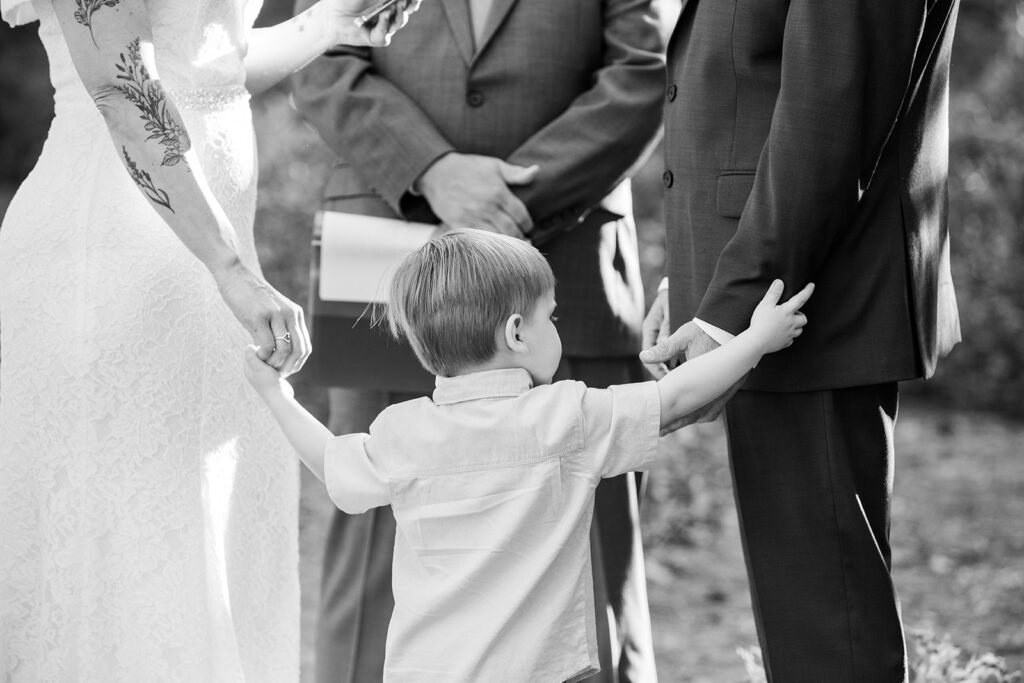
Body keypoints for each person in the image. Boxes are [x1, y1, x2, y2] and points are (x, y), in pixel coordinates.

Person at [0, 0, 419, 680]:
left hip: (213, 253)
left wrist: (333, 22)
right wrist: (227, 266)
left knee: (212, 518)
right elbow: (119, 84)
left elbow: (212, 59)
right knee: (134, 528)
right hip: (109, 247)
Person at [244, 229, 814, 683]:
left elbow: (333, 463)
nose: (556, 327)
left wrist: (277, 394)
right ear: (517, 333)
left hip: (424, 669)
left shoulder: (402, 432)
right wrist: (755, 340)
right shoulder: (565, 417)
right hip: (536, 669)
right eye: (553, 316)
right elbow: (677, 397)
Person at [290, 1, 666, 680]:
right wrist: (433, 169)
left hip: (569, 254)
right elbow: (318, 53)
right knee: (377, 534)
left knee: (594, 537)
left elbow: (640, 69)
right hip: (383, 241)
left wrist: (514, 194)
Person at [640, 1, 963, 681]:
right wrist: (696, 281)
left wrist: (728, 314)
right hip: (773, 285)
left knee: (826, 625)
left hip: (813, 298)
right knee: (808, 612)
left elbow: (828, 119)